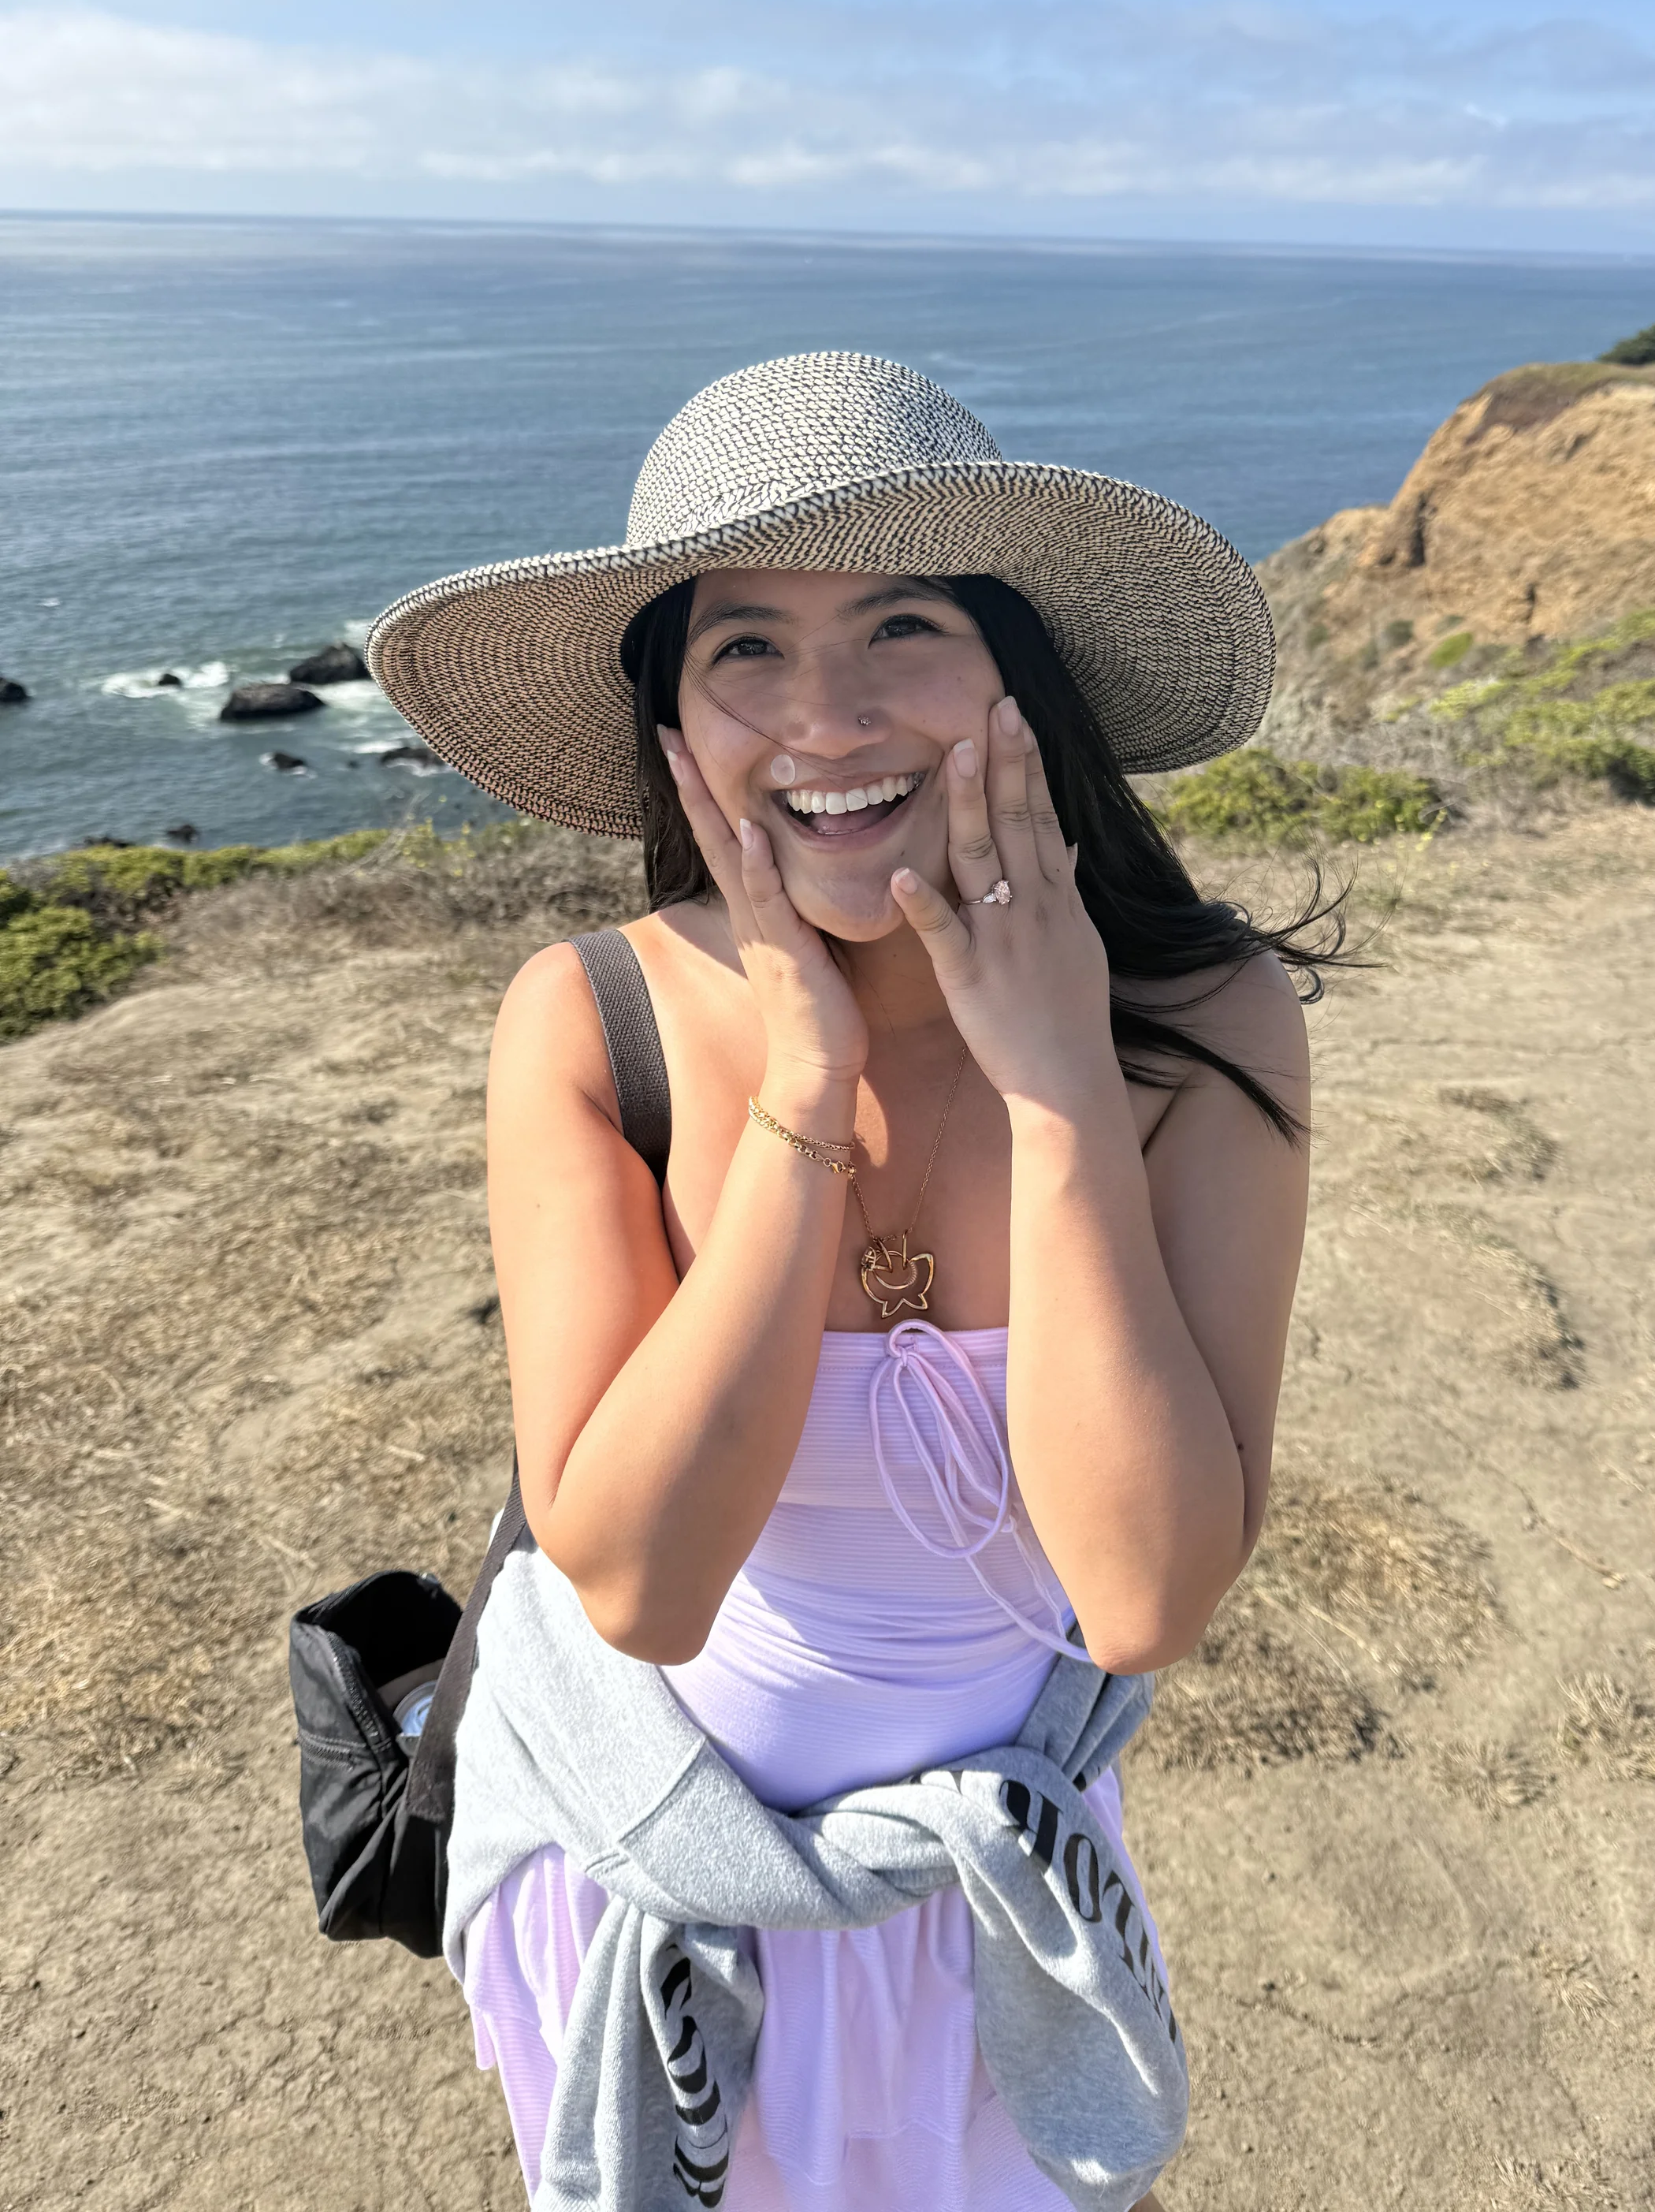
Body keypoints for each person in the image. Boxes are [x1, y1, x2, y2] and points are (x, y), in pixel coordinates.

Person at [367, 352, 1322, 2211]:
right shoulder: (590, 1024)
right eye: (745, 651)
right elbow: (638, 1583)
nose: (828, 716)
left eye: (904, 626)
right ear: (672, 720)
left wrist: (1055, 1089)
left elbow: (1140, 1593)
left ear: (1015, 678)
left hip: (990, 1910)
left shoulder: (1202, 1028)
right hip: (651, 1887)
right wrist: (802, 1100)